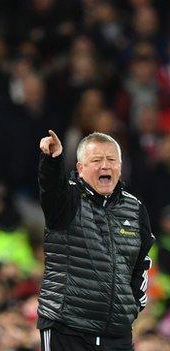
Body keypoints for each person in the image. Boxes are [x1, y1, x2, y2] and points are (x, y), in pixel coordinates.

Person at [37, 130, 155, 350]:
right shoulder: (66, 199)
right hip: (67, 328)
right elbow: (50, 187)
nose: (105, 166)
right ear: (80, 169)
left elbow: (142, 263)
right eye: (96, 160)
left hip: (116, 335)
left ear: (120, 166)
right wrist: (52, 161)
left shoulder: (136, 209)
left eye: (111, 160)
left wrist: (132, 305)